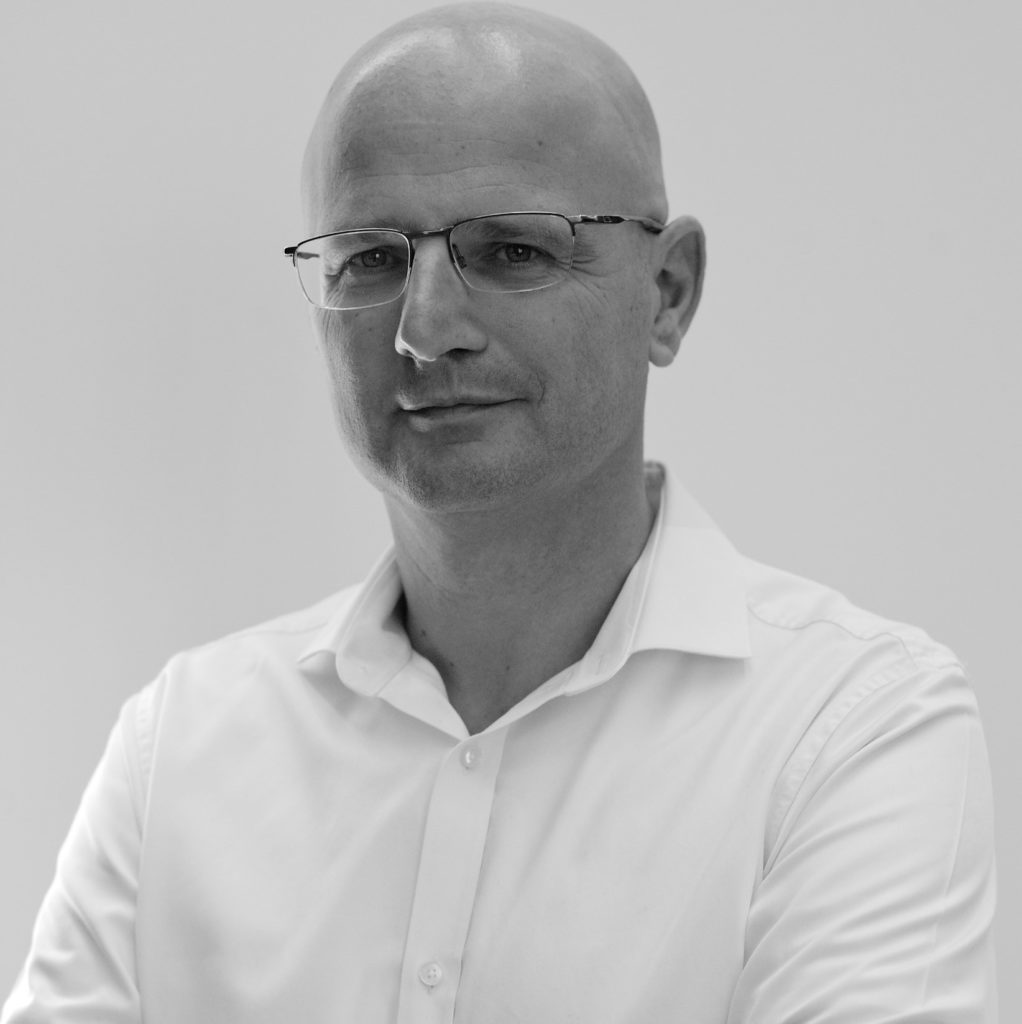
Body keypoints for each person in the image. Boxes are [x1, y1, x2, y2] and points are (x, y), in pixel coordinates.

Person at [3, 3, 997, 1022]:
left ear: (666, 293)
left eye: (513, 251)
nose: (425, 329)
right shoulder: (179, 746)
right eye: (370, 259)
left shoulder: (851, 729)